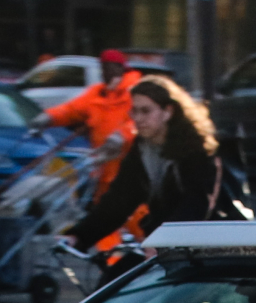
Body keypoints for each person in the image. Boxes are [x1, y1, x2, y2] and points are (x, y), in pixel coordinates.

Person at [66, 75, 231, 251]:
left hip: (207, 246)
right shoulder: (142, 148)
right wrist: (78, 236)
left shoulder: (196, 149)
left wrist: (163, 242)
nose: (138, 118)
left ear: (168, 112)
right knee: (118, 274)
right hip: (162, 244)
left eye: (145, 111)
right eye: (134, 111)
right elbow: (119, 200)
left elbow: (196, 205)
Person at [41, 49, 138, 185]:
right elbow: (71, 109)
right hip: (101, 167)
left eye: (108, 68)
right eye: (103, 69)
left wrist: (124, 135)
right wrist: (48, 117)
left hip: (127, 169)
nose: (105, 74)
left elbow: (143, 122)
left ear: (120, 68)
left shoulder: (137, 92)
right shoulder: (97, 93)